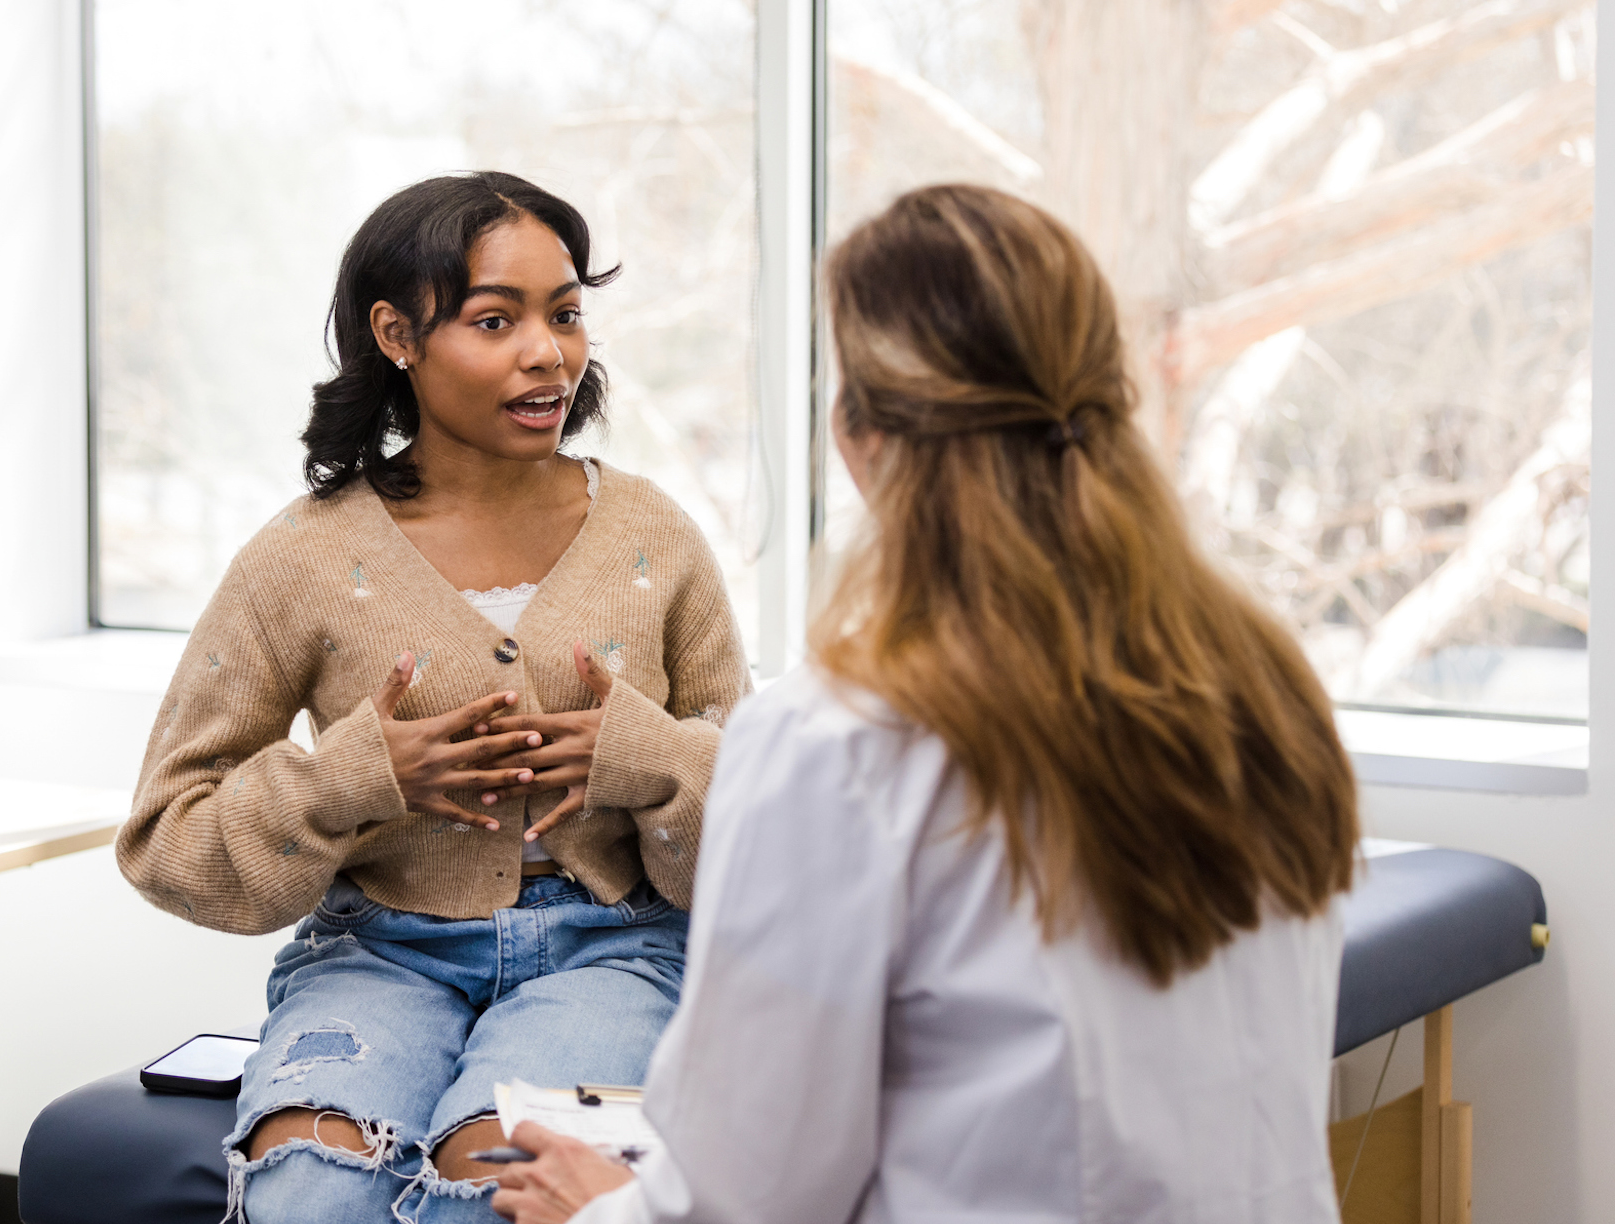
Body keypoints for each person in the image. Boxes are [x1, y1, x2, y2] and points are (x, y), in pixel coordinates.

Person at [491, 183, 1361, 1224]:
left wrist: (603, 1210)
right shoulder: (1262, 688)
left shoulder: (841, 743)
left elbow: (750, 1196)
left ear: (859, 436)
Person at [116, 172, 753, 1223]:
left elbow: (769, 809)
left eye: (565, 313)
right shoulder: (301, 559)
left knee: (492, 1198)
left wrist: (647, 759)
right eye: (495, 320)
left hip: (611, 948)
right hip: (376, 949)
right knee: (306, 1202)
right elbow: (166, 838)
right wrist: (358, 779)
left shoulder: (655, 539)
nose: (546, 351)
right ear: (396, 335)